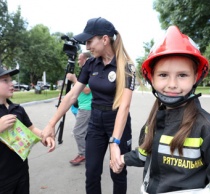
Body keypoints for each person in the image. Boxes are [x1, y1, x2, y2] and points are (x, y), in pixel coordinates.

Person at [112, 26, 210, 194]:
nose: (172, 84)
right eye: (163, 75)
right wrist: (122, 159)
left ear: (196, 77)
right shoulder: (154, 121)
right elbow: (145, 152)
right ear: (152, 78)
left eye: (182, 75)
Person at [41, 17, 135, 194]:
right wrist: (51, 124)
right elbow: (72, 95)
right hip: (95, 122)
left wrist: (115, 141)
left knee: (118, 172)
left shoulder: (126, 66)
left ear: (105, 39)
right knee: (91, 173)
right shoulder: (91, 64)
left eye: (90, 41)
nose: (87, 47)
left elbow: (125, 106)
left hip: (118, 122)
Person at [0, 66, 55, 194]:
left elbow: (32, 129)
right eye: (5, 80)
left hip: (21, 172)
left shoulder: (18, 109)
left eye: (11, 80)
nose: (12, 83)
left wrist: (44, 136)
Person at [66, 51, 93, 165]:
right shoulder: (84, 72)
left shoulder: (91, 72)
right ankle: (89, 153)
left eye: (79, 59)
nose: (77, 61)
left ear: (86, 59)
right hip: (82, 107)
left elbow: (87, 90)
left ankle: (83, 154)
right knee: (85, 132)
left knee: (78, 132)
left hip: (87, 108)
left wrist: (74, 80)